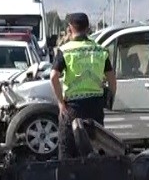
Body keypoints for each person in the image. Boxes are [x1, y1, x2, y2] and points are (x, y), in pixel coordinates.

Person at [49, 12, 115, 158]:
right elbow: (111, 78)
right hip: (95, 107)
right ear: (88, 28)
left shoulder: (65, 50)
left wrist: (60, 103)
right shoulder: (99, 50)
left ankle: (70, 179)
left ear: (70, 28)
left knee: (68, 152)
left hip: (72, 108)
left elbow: (53, 77)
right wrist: (108, 99)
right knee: (95, 150)